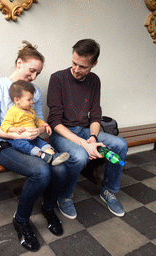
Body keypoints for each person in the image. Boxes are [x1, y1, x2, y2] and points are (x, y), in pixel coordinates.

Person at [0, 41, 67, 252]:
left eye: (37, 73)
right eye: (31, 70)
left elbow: (38, 121)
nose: (34, 77)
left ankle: (48, 208)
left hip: (31, 141)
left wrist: (38, 131)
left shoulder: (35, 92)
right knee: (41, 172)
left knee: (60, 168)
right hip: (6, 145)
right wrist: (16, 132)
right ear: (19, 63)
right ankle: (21, 220)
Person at [47, 39, 128, 219]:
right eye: (74, 63)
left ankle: (108, 191)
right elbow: (54, 121)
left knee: (121, 145)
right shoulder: (57, 78)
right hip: (62, 133)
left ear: (94, 64)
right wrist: (84, 144)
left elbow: (96, 114)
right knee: (80, 155)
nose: (76, 69)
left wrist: (92, 137)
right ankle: (65, 196)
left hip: (85, 131)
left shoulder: (94, 81)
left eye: (82, 66)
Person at [1, 80, 70, 166]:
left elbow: (38, 121)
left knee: (43, 143)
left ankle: (54, 156)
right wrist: (15, 129)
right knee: (21, 145)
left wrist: (45, 125)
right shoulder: (13, 112)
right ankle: (41, 154)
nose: (32, 102)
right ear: (17, 100)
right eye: (29, 99)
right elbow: (4, 125)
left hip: (34, 138)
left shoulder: (31, 111)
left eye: (32, 99)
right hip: (20, 139)